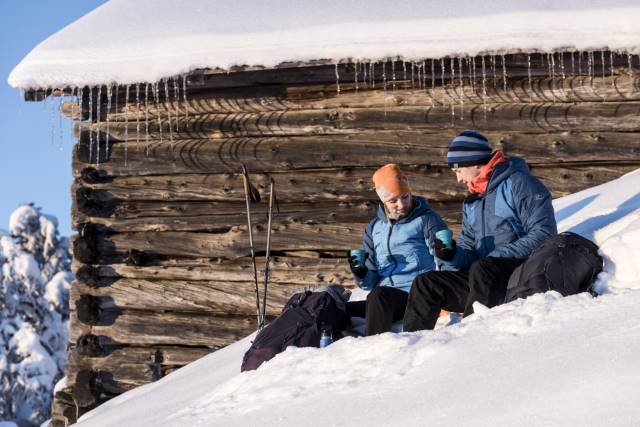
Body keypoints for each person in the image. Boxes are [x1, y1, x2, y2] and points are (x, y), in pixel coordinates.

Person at [403, 130, 557, 332]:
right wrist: (453, 255)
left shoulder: (519, 183)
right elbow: (469, 248)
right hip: (483, 277)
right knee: (427, 283)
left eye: (458, 171)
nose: (458, 179)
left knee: (482, 268)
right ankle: (410, 346)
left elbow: (544, 233)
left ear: (474, 162)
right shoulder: (473, 201)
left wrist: (494, 257)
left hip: (520, 270)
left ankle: (470, 338)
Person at [346, 163, 449, 336]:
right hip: (383, 299)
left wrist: (445, 300)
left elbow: (444, 261)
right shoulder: (375, 227)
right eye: (393, 200)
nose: (401, 204)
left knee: (379, 296)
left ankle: (375, 348)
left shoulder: (426, 220)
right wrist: (361, 272)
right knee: (337, 308)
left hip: (416, 296)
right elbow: (370, 282)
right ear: (383, 201)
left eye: (405, 197)